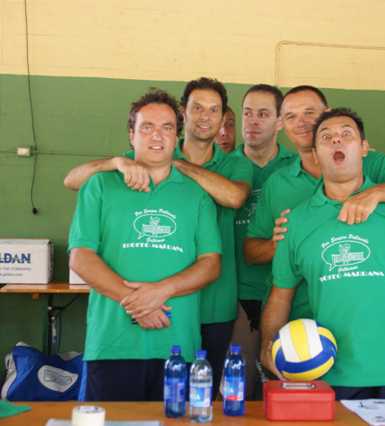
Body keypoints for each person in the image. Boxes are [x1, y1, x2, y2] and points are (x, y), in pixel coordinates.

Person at [63, 77, 254, 399]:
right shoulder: (102, 183)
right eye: (147, 127)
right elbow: (80, 257)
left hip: (179, 345)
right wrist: (139, 303)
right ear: (131, 134)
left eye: (166, 128)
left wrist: (161, 292)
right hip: (112, 343)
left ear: (176, 135)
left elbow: (211, 263)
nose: (157, 135)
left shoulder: (198, 193)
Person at [260, 107, 385, 400]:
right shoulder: (295, 222)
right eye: (326, 137)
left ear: (365, 149)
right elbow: (280, 296)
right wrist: (267, 346)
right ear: (315, 154)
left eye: (346, 134)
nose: (336, 140)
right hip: (333, 376)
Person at [243, 86, 385, 320]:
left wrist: (375, 193)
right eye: (291, 116)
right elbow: (249, 253)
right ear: (282, 125)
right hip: (299, 322)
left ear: (328, 114)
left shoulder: (367, 161)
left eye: (309, 113)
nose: (301, 122)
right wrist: (277, 245)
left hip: (359, 317)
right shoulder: (277, 182)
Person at [230, 84, 295, 399]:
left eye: (263, 114)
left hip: (289, 296)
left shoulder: (299, 166)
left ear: (280, 122)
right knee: (236, 391)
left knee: (283, 391)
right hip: (236, 297)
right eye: (247, 113)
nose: (253, 121)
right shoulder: (224, 166)